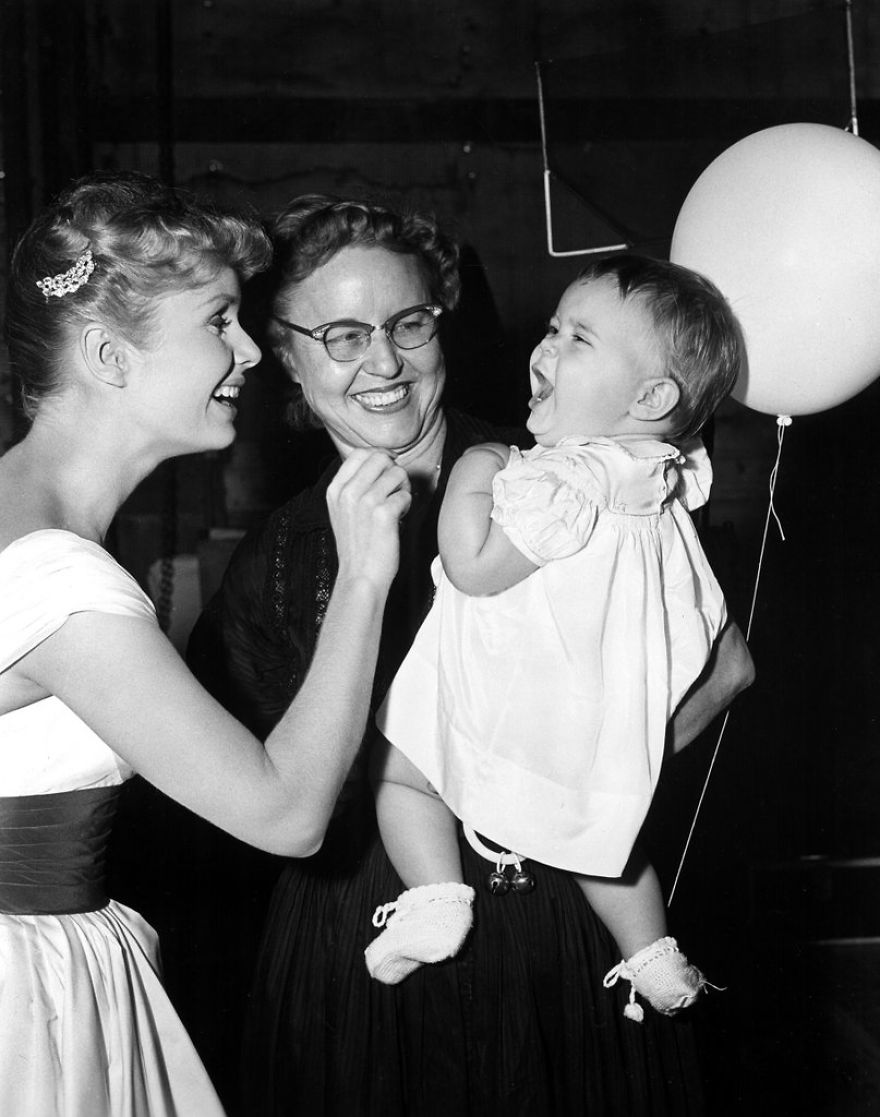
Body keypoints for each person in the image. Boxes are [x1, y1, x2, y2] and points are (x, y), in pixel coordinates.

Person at [187, 195, 755, 1116]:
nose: (383, 361)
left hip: (558, 926)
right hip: (366, 957)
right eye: (339, 334)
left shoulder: (557, 472)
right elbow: (249, 805)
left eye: (407, 322)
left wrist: (575, 782)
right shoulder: (276, 563)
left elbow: (724, 667)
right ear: (283, 356)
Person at [0, 171, 409, 1117]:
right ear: (108, 354)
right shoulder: (63, 581)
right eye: (218, 320)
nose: (250, 352)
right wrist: (362, 577)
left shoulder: (23, 518)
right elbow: (287, 813)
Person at [370, 254, 745, 1023]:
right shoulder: (661, 472)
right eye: (552, 328)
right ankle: (653, 955)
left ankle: (435, 895)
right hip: (606, 712)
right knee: (603, 834)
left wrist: (476, 471)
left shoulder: (562, 477)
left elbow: (474, 567)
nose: (545, 350)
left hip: (521, 697)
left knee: (402, 770)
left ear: (650, 396)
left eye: (578, 339)